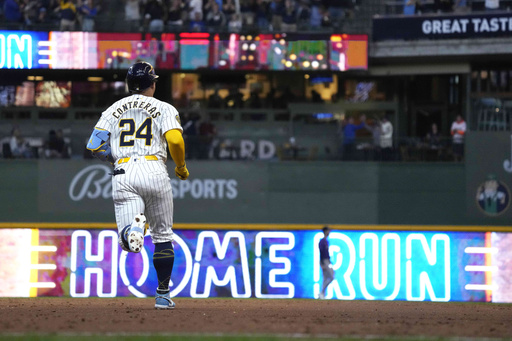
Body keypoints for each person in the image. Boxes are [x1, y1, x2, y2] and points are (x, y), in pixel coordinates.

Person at [85, 61, 189, 310]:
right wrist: (181, 166)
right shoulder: (163, 107)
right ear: (152, 84)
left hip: (124, 171)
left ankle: (133, 228)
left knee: (128, 243)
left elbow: (94, 145)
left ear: (129, 85)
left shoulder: (113, 109)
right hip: (155, 168)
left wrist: (117, 160)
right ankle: (163, 295)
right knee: (163, 237)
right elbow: (175, 139)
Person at [318, 226, 334, 300]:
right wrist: (322, 264)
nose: (329, 232)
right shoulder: (322, 241)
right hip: (324, 261)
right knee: (331, 277)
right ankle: (322, 292)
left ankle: (322, 294)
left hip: (327, 260)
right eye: (328, 231)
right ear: (325, 231)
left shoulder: (326, 241)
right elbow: (321, 253)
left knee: (325, 278)